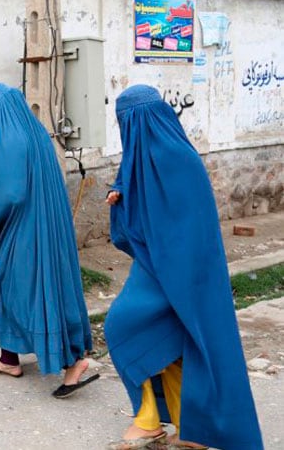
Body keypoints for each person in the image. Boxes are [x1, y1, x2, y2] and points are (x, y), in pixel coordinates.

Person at [104, 85, 263, 450]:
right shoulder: (142, 158)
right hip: (155, 266)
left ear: (141, 122)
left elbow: (188, 232)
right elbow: (136, 212)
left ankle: (157, 422)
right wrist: (119, 197)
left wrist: (179, 285)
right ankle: (178, 423)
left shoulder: (181, 162)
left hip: (184, 275)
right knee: (168, 341)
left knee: (122, 326)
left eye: (127, 123)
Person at [0, 83, 97, 397]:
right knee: (40, 288)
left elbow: (6, 193)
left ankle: (72, 362)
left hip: (25, 228)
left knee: (22, 291)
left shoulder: (10, 140)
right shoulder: (35, 132)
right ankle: (9, 359)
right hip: (49, 225)